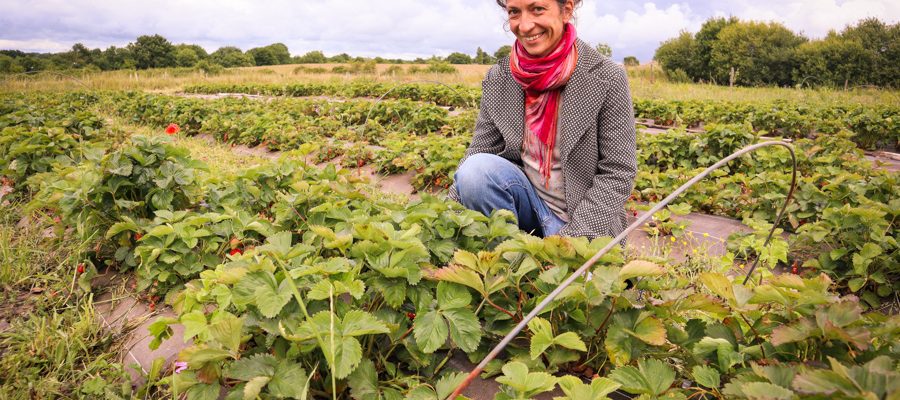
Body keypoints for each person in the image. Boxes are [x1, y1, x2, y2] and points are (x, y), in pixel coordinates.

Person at [449, 0, 637, 240]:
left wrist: (571, 242)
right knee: (475, 171)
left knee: (574, 273)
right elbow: (480, 150)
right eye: (514, 12)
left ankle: (547, 261)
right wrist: (443, 217)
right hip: (527, 206)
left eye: (537, 9)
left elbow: (618, 171)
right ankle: (508, 259)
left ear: (566, 10)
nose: (525, 26)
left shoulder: (606, 76)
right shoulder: (501, 77)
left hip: (581, 220)